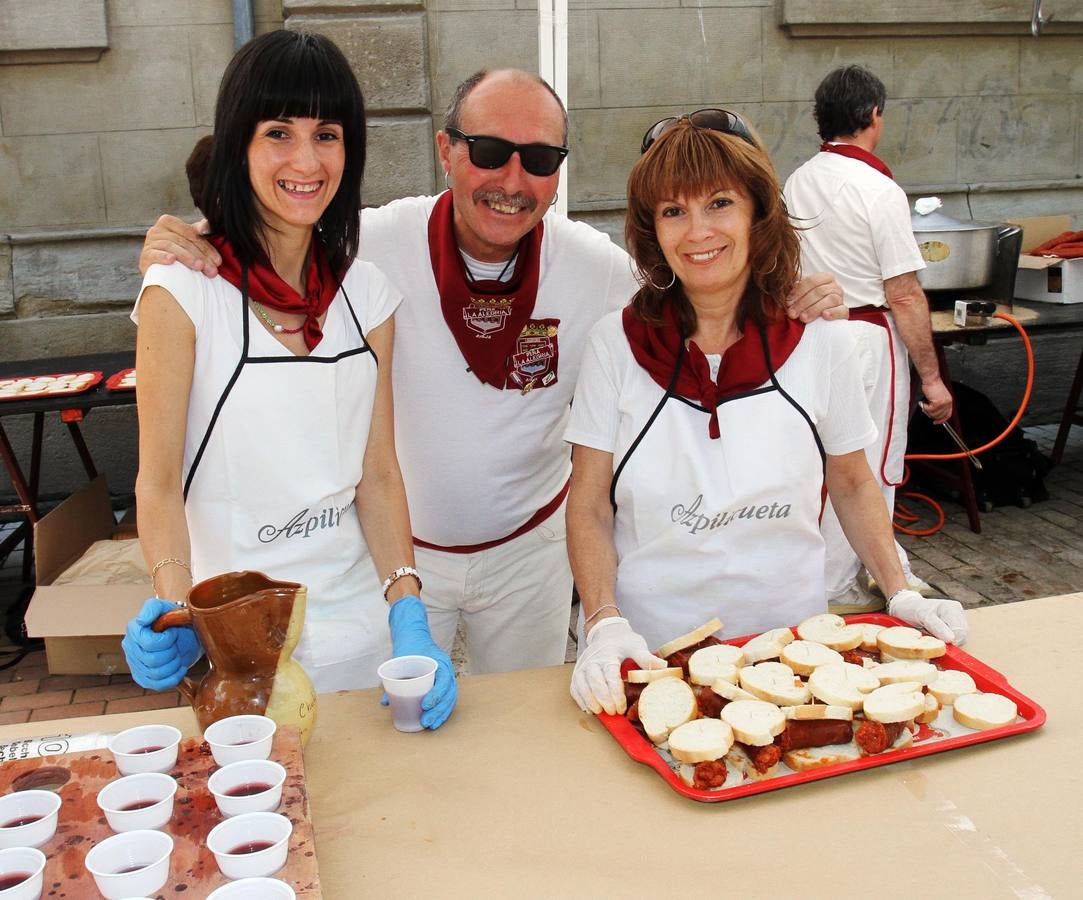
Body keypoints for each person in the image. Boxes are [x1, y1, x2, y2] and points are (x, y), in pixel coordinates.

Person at [138, 73, 847, 675]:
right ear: (446, 150)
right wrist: (188, 243)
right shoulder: (372, 243)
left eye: (538, 158)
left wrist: (790, 289)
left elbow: (695, 282)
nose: (513, 180)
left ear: (558, 172)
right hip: (393, 560)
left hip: (528, 560)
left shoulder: (594, 265)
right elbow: (270, 242)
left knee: (524, 740)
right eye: (489, 152)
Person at [566, 112, 967, 716]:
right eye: (673, 211)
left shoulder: (822, 341)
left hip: (792, 661)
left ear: (759, 213)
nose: (698, 231)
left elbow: (853, 482)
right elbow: (590, 503)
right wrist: (603, 623)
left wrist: (901, 590)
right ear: (652, 231)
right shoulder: (613, 345)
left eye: (719, 203)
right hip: (648, 658)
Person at [120, 30, 456, 729]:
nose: (306, 160)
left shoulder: (369, 296)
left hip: (367, 649)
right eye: (279, 132)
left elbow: (378, 477)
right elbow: (156, 482)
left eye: (327, 134)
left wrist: (407, 608)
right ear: (238, 144)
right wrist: (178, 607)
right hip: (238, 655)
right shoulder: (182, 294)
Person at [783, 65, 952, 614]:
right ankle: (836, 588)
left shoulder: (798, 179)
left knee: (821, 463)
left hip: (810, 336)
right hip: (867, 342)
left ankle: (871, 566)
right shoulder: (880, 190)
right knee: (867, 464)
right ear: (874, 115)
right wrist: (932, 379)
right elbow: (903, 294)